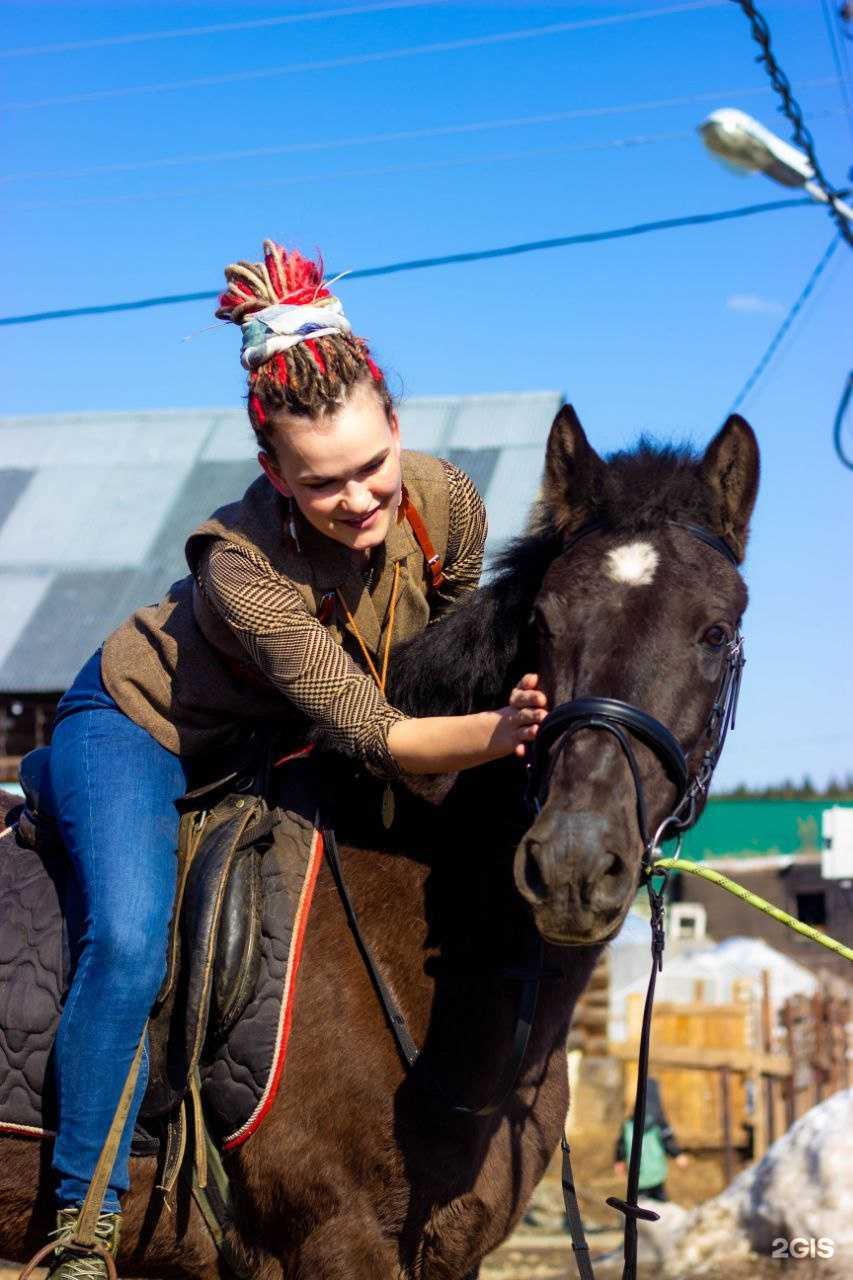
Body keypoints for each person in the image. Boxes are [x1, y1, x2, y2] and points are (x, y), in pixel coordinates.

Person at [41, 241, 549, 1275]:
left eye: (370, 467)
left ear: (395, 425)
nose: (358, 499)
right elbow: (379, 729)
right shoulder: (240, 563)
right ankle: (80, 1218)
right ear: (273, 472)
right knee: (130, 939)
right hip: (147, 729)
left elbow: (445, 664)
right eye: (321, 484)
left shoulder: (447, 503)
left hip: (278, 737)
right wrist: (505, 730)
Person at [613, 1078, 690, 1202]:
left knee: (643, 1202)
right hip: (650, 1173)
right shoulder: (657, 1122)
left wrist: (619, 1160)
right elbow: (667, 1140)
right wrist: (677, 1155)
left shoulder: (629, 1124)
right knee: (653, 1203)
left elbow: (621, 1144)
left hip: (643, 1175)